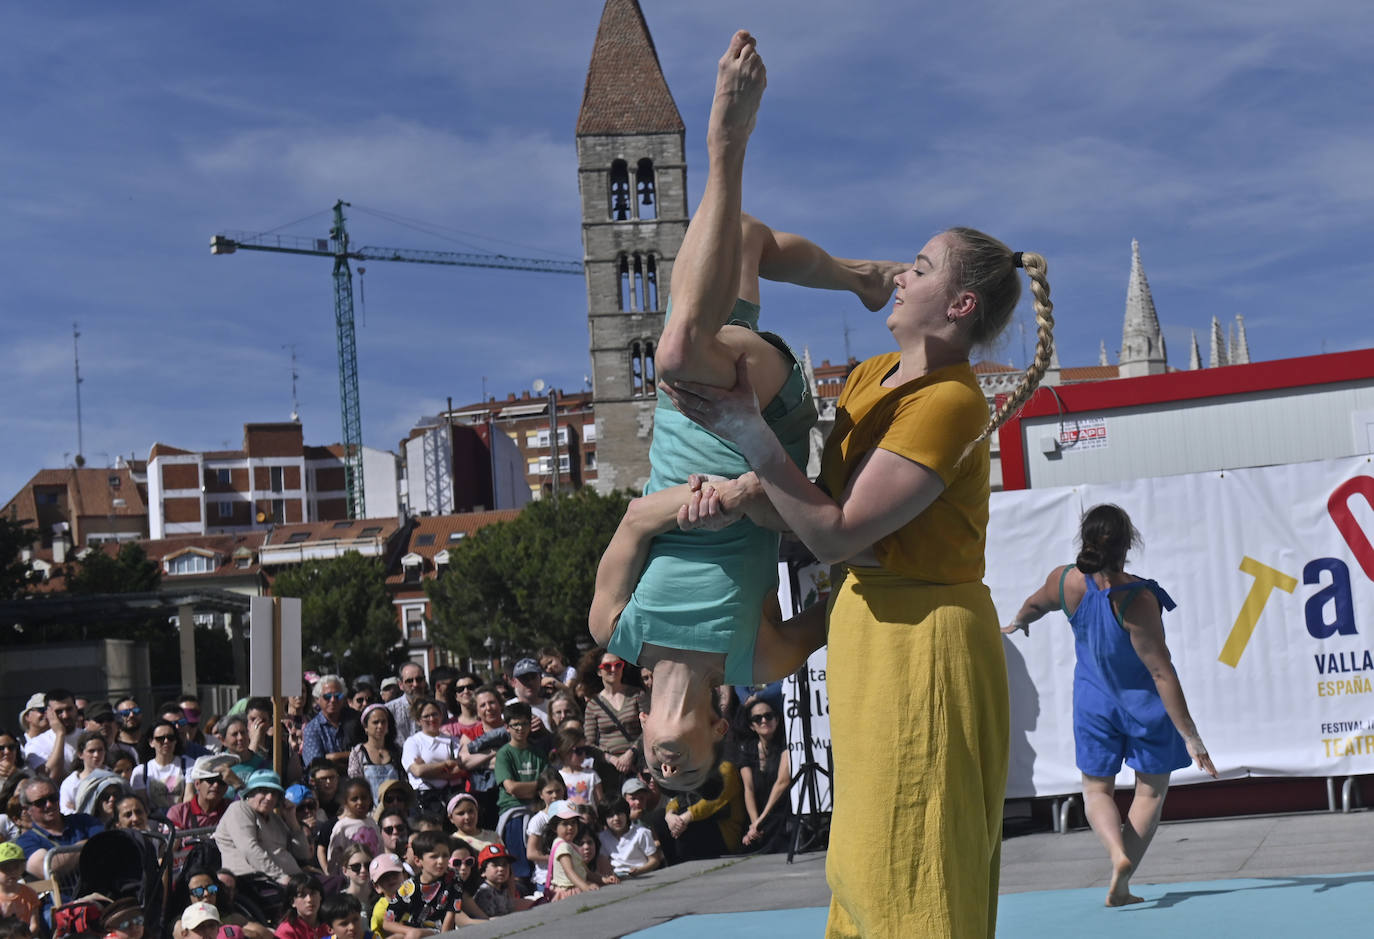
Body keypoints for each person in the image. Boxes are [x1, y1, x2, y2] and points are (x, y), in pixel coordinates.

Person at [654, 31, 1056, 937]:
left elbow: (834, 532)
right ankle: (726, 152)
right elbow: (837, 524)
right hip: (871, 628)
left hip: (925, 642)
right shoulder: (876, 376)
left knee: (911, 870)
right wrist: (850, 277)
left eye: (921, 265)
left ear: (959, 306)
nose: (903, 269)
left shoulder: (951, 401)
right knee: (867, 870)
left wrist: (751, 441)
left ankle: (726, 147)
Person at [588, 38, 910, 796]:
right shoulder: (760, 658)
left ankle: (859, 279)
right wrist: (741, 499)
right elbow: (829, 557)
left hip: (680, 430)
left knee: (742, 240)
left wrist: (684, 506)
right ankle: (726, 144)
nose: (671, 774)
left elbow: (634, 521)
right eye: (692, 773)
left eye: (661, 775)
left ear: (640, 733)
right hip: (753, 425)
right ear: (719, 731)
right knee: (676, 353)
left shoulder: (614, 629)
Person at [1003, 503, 1220, 906]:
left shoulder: (1065, 581)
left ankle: (1115, 852)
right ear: (1128, 543)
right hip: (1145, 710)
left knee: (1096, 790)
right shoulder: (1138, 598)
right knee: (1150, 795)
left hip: (1093, 705)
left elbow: (1036, 604)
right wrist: (1192, 737)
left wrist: (1019, 621)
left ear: (1086, 540)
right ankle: (1124, 876)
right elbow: (1162, 673)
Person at [214, 770, 312, 884]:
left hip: (293, 880)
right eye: (264, 791)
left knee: (334, 883)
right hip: (256, 882)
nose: (270, 797)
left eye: (274, 793)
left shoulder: (275, 819)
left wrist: (292, 819)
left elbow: (303, 854)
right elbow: (249, 849)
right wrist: (280, 877)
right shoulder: (239, 809)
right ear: (250, 792)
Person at [14, 776, 103, 878]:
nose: (49, 804)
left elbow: (106, 844)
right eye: (40, 802)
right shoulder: (26, 841)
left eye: (53, 798)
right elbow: (47, 869)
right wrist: (88, 844)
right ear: (27, 808)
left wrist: (64, 858)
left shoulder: (85, 821)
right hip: (66, 893)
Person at [736, 697, 792, 853]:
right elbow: (749, 789)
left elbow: (782, 782)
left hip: (780, 813)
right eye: (757, 718)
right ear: (751, 726)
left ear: (777, 719)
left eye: (769, 716)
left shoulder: (785, 743)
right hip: (756, 815)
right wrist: (754, 823)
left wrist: (759, 822)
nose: (764, 720)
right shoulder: (747, 749)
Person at [400, 699, 466, 817]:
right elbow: (418, 771)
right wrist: (447, 764)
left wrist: (428, 768)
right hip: (426, 799)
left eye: (435, 714)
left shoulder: (453, 741)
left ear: (441, 715)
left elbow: (461, 769)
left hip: (452, 796)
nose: (431, 719)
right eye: (426, 716)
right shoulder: (413, 742)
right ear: (419, 720)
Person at [583, 651, 643, 780]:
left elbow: (649, 729)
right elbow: (589, 743)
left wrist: (631, 753)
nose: (613, 669)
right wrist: (613, 760)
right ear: (599, 672)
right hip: (609, 770)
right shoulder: (593, 704)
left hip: (637, 764)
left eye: (618, 665)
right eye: (607, 666)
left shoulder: (637, 695)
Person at [132, 719, 194, 810]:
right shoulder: (140, 772)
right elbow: (142, 805)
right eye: (160, 738)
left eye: (170, 738)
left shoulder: (189, 764)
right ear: (151, 742)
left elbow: (189, 798)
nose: (166, 741)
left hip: (181, 819)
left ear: (176, 741)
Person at [301, 676, 357, 771]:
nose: (333, 700)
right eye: (327, 696)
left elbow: (367, 753)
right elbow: (315, 764)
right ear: (317, 699)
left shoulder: (355, 719)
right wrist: (350, 758)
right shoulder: (312, 728)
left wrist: (335, 757)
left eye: (338, 696)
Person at [543, 804, 597, 900]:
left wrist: (603, 879)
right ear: (554, 827)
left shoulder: (570, 845)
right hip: (569, 892)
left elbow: (586, 872)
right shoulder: (563, 846)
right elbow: (569, 872)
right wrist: (585, 887)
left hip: (577, 887)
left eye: (573, 823)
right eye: (565, 823)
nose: (570, 827)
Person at [597, 797, 660, 879]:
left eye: (619, 813)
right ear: (604, 819)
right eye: (611, 815)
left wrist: (639, 871)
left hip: (641, 876)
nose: (616, 818)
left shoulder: (641, 833)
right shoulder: (602, 837)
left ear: (626, 814)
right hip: (616, 878)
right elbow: (603, 861)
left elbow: (654, 861)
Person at [167, 755, 236, 830]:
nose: (216, 785)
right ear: (197, 784)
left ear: (227, 787)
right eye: (211, 780)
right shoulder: (179, 813)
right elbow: (171, 841)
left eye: (221, 782)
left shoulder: (233, 811)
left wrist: (237, 783)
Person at [23, 689, 79, 780]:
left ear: (76, 709)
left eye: (69, 709)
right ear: (48, 714)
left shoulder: (88, 736)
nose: (65, 715)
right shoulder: (36, 744)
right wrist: (60, 734)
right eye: (59, 711)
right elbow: (50, 777)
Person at [471, 844, 533, 917]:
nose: (501, 869)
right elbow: (490, 920)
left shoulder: (503, 889)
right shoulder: (485, 892)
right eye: (495, 865)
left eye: (505, 865)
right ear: (483, 871)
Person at [57, 731, 107, 814]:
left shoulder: (113, 777)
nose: (96, 755)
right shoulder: (71, 783)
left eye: (100, 750)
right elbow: (66, 811)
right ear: (80, 754)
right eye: (91, 751)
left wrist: (78, 808)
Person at [0, 843, 40, 937]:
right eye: (6, 868)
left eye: (16, 867)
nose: (12, 872)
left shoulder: (30, 893)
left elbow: (34, 924)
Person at [274, 873, 327, 939]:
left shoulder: (331, 922)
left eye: (313, 893)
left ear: (320, 896)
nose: (309, 899)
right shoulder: (286, 931)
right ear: (292, 902)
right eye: (302, 895)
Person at [385, 666, 428, 743]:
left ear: (424, 681)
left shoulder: (437, 708)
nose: (415, 684)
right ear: (401, 685)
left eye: (419, 679)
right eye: (409, 681)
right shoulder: (389, 709)